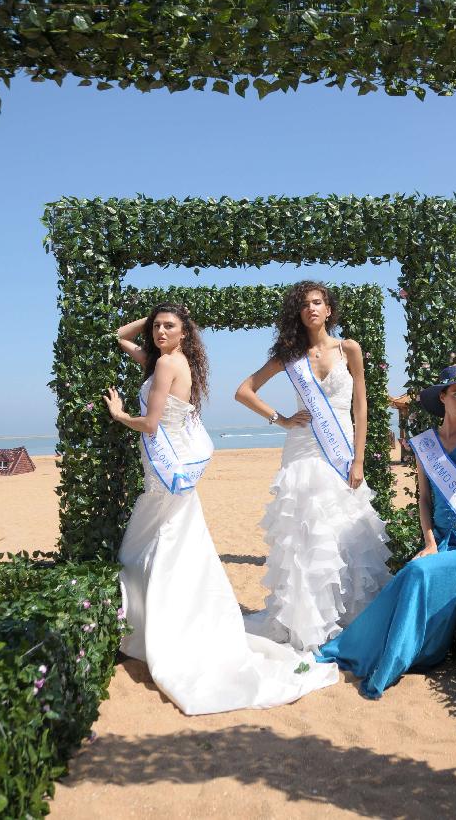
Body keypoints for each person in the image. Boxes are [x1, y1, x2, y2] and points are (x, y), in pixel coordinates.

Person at [103, 302, 338, 715]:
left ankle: (155, 629)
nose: (158, 332)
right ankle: (161, 624)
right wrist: (158, 312)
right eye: (156, 327)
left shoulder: (163, 367)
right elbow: (121, 337)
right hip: (166, 470)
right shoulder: (172, 361)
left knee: (158, 543)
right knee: (170, 542)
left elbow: (151, 424)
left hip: (164, 469)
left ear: (183, 333)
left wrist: (121, 414)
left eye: (168, 326)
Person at [316, 362, 456, 697]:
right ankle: (361, 646)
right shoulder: (426, 444)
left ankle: (404, 656)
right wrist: (429, 540)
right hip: (443, 542)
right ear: (443, 398)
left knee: (419, 572)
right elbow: (424, 499)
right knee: (413, 569)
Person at [235, 281, 391, 653]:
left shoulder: (349, 348)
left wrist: (359, 458)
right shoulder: (290, 356)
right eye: (304, 304)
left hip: (339, 452)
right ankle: (308, 623)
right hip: (303, 448)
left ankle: (348, 619)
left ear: (329, 310)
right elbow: (244, 391)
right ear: (298, 312)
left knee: (343, 527)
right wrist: (281, 419)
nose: (312, 309)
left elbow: (360, 408)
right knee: (306, 531)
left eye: (318, 302)